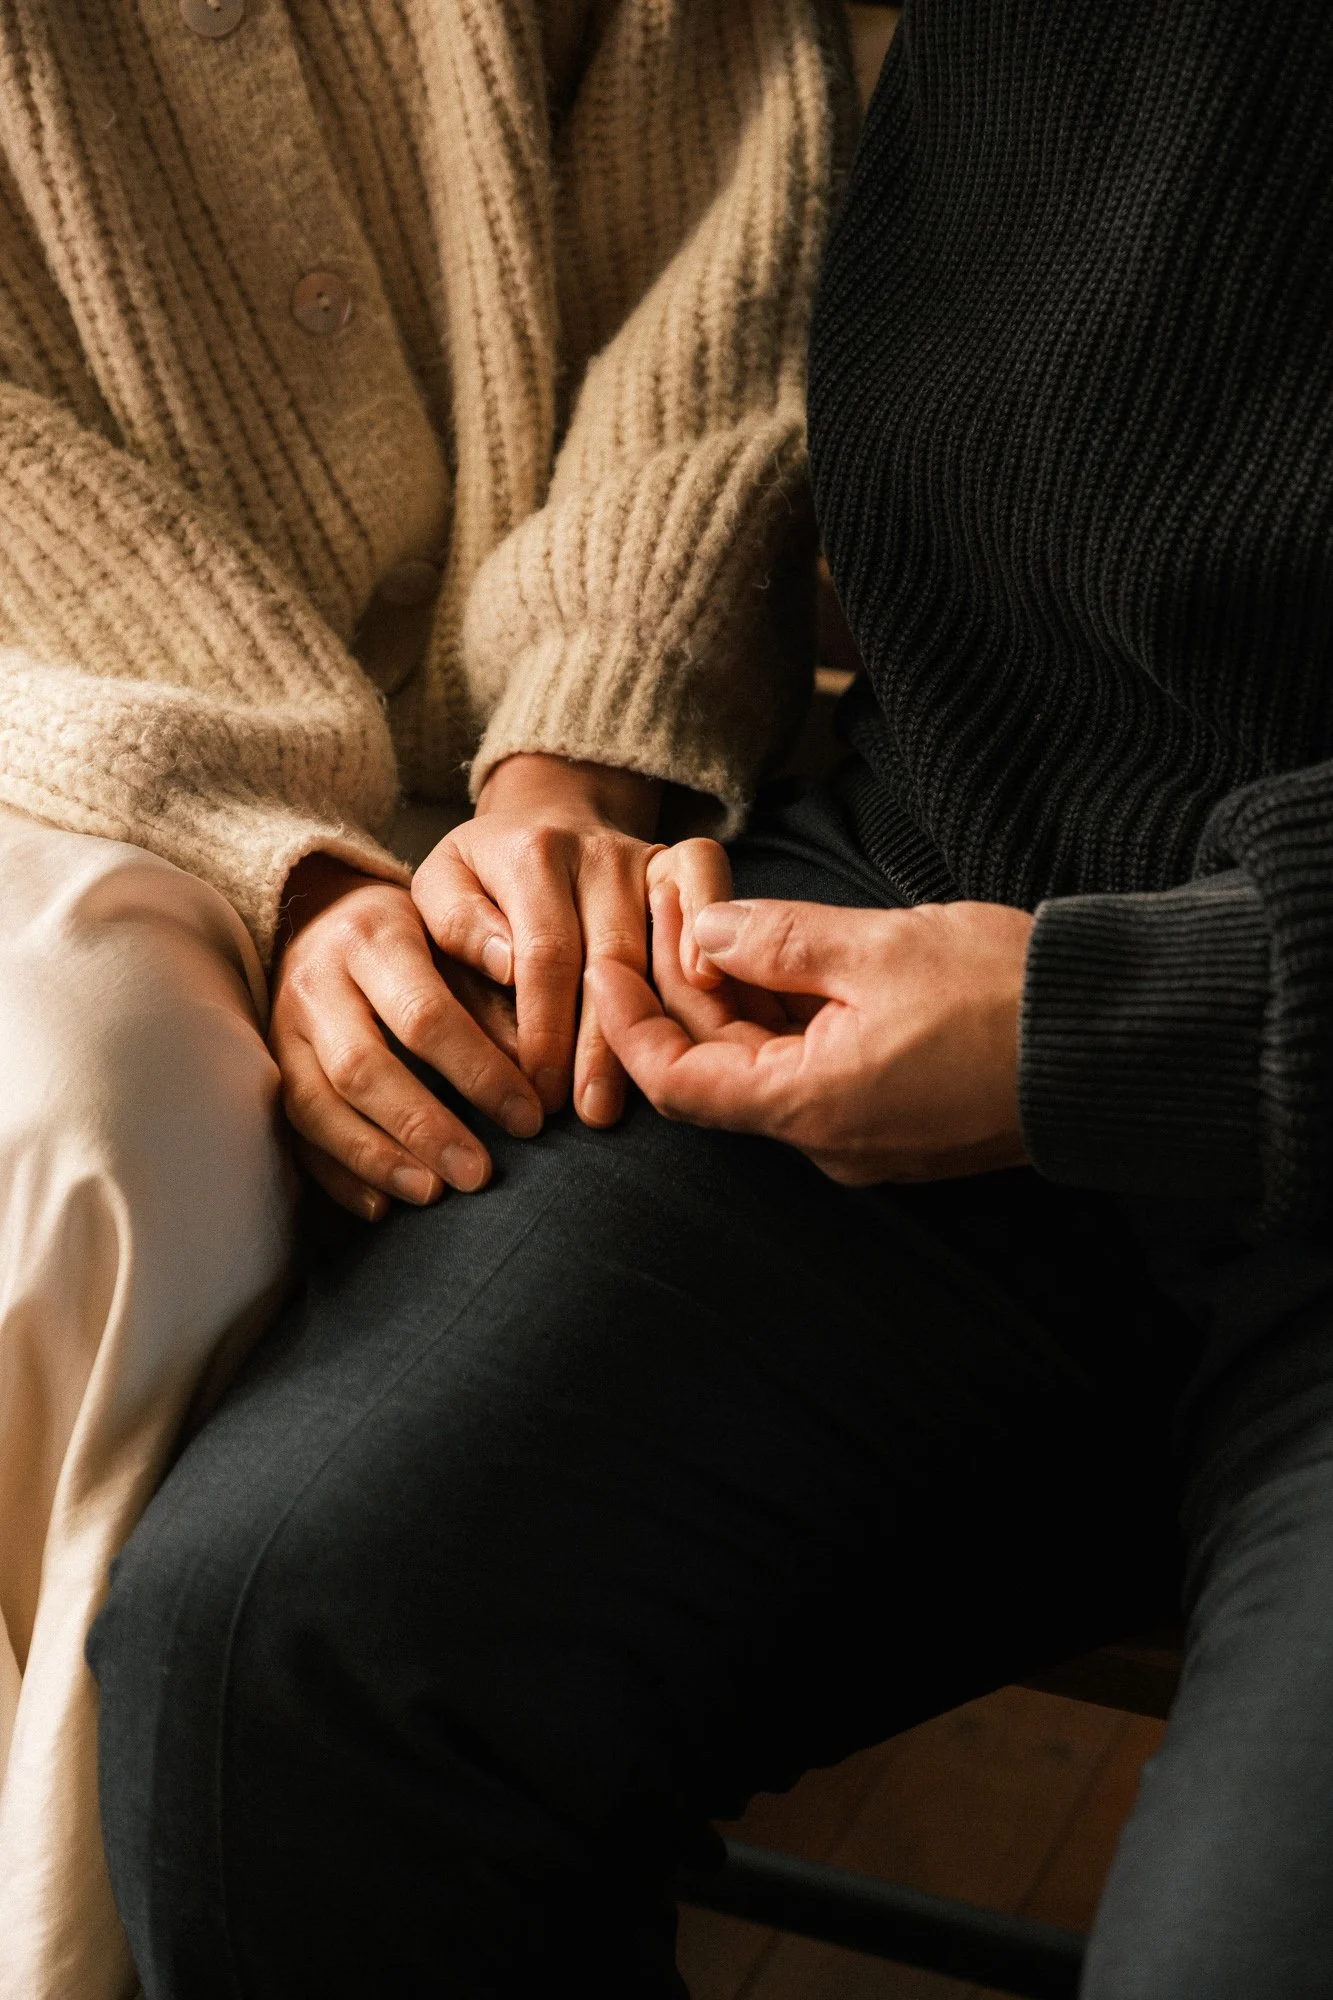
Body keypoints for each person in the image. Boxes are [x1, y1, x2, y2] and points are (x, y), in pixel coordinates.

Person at [86, 1, 1333, 1996]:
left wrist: (1126, 1017)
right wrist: (555, 773)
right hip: (928, 896)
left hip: (1196, 1005)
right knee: (283, 1651)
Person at [0, 4, 847, 1994]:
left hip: (599, 712)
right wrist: (287, 858)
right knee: (106, 1130)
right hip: (69, 711)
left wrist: (575, 750)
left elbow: (728, 250)